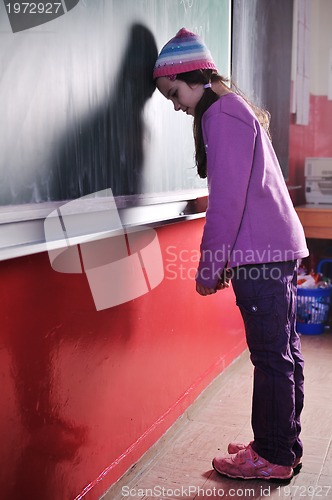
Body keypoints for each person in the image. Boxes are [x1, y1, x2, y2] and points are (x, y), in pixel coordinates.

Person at [153, 28, 309, 482]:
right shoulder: (235, 110)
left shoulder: (220, 115)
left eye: (174, 93)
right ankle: (281, 444)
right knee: (283, 351)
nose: (177, 105)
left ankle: (274, 455)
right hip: (273, 249)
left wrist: (209, 267)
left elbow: (226, 201)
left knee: (270, 355)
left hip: (261, 253)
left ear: (194, 77)